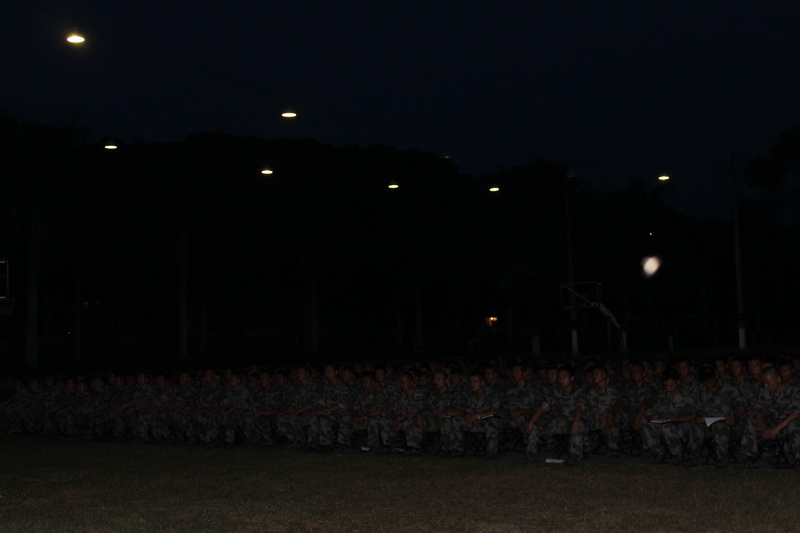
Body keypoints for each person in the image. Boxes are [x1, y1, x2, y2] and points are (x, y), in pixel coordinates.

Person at [641, 369, 698, 466]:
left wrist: (679, 419)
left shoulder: (687, 394)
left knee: (667, 428)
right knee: (647, 426)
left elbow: (695, 414)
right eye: (666, 385)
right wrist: (655, 415)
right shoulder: (662, 394)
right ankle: (659, 452)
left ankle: (677, 455)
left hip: (684, 423)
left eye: (671, 385)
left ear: (678, 382)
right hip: (665, 421)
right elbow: (657, 408)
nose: (668, 388)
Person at [690, 366, 741, 468]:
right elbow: (698, 408)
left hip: (728, 425)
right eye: (706, 382)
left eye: (711, 381)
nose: (709, 384)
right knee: (696, 426)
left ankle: (722, 458)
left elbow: (739, 408)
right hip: (708, 423)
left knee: (719, 427)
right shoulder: (701, 391)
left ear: (716, 377)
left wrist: (734, 419)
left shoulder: (729, 389)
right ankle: (692, 457)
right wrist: (699, 416)